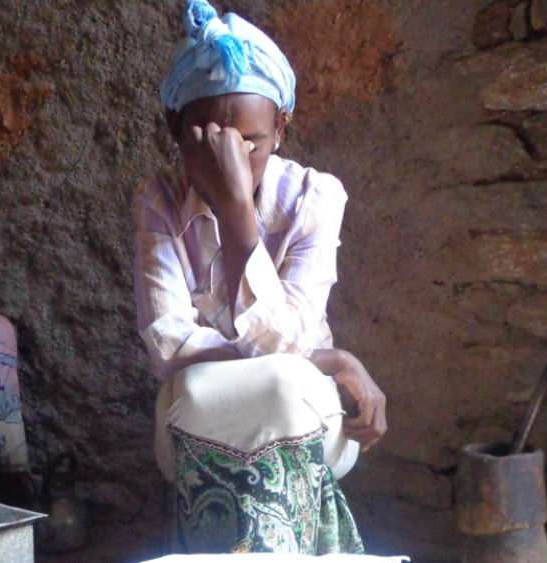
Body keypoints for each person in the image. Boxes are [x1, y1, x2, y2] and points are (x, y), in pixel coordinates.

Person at [134, 0, 387, 554]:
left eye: (252, 142)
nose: (235, 160)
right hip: (199, 425)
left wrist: (235, 219)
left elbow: (288, 346)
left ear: (283, 125)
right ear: (175, 130)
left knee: (281, 385)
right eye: (209, 143)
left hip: (306, 416)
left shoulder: (314, 197)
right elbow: (168, 348)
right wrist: (336, 360)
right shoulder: (161, 200)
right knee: (204, 390)